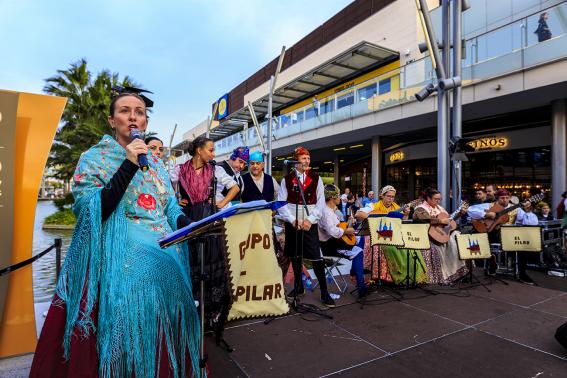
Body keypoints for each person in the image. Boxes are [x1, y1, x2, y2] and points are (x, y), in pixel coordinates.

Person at [30, 93, 200, 377]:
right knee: (147, 271)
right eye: (125, 111)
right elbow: (91, 210)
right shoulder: (93, 158)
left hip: (164, 249)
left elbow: (169, 204)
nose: (133, 116)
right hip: (119, 254)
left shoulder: (156, 164)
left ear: (145, 121)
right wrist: (129, 164)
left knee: (170, 273)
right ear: (112, 120)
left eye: (140, 112)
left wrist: (188, 222)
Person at [170, 136, 239, 344]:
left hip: (209, 216)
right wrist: (176, 199)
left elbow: (234, 186)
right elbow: (163, 189)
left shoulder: (215, 170)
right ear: (199, 150)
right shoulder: (179, 169)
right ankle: (191, 312)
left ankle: (210, 315)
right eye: (210, 149)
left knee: (212, 263)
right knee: (192, 263)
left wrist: (222, 203)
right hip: (188, 217)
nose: (213, 153)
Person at [277, 146, 336, 307]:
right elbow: (281, 203)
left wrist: (310, 219)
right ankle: (298, 286)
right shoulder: (286, 180)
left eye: (308, 158)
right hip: (293, 224)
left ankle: (324, 292)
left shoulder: (317, 178)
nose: (307, 161)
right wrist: (292, 219)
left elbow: (321, 203)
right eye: (303, 158)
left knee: (316, 257)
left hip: (310, 224)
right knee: (295, 256)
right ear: (295, 161)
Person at [355, 185, 424, 284]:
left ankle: (401, 274)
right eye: (388, 196)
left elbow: (402, 222)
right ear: (382, 196)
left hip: (392, 235)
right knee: (385, 247)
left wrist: (406, 214)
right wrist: (376, 220)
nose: (391, 199)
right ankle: (381, 277)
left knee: (408, 246)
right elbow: (358, 214)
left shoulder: (396, 207)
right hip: (376, 234)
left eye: (392, 197)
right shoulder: (374, 205)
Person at [318, 184, 368, 298]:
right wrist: (347, 231)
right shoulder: (326, 212)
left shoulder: (328, 210)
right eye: (338, 196)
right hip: (331, 247)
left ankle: (357, 277)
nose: (340, 198)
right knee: (359, 251)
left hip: (334, 243)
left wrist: (349, 225)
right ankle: (361, 286)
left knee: (359, 245)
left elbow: (337, 226)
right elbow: (332, 231)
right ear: (332, 198)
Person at [413, 188, 468, 284]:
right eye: (436, 199)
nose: (438, 201)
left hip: (441, 235)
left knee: (457, 237)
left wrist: (459, 214)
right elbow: (422, 218)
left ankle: (460, 273)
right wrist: (440, 221)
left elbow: (449, 220)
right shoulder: (420, 208)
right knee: (444, 244)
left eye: (439, 199)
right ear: (428, 198)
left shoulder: (440, 208)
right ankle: (442, 276)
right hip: (427, 236)